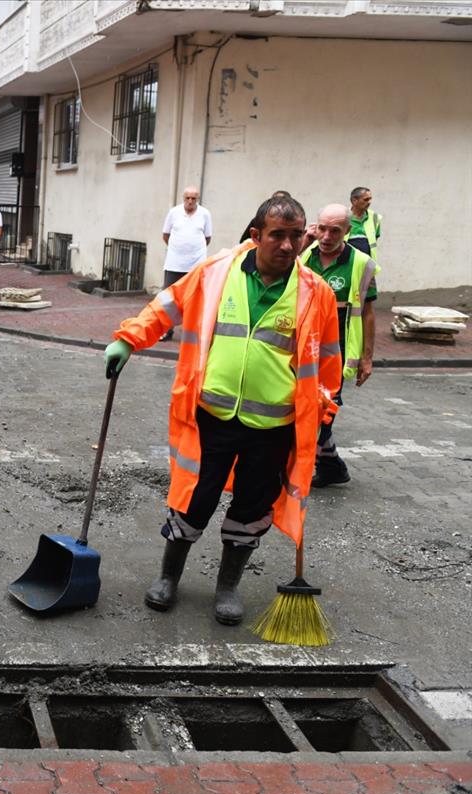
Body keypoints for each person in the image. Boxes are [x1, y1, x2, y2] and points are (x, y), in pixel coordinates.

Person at [103, 195, 341, 626]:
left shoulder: (315, 292)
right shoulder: (216, 272)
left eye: (295, 236)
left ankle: (227, 586)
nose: (288, 246)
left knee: (252, 508)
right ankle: (168, 577)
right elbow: (168, 305)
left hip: (273, 426)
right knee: (193, 499)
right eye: (277, 236)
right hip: (210, 417)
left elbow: (326, 357)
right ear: (256, 235)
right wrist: (128, 339)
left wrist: (325, 404)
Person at [301, 203, 379, 488]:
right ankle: (332, 466)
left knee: (324, 410)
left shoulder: (360, 263)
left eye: (335, 230)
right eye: (322, 228)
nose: (326, 236)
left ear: (347, 231)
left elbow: (368, 313)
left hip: (338, 351)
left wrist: (367, 359)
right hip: (303, 347)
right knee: (303, 406)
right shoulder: (305, 254)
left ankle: (304, 467)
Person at [160, 187, 213, 341]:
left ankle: (190, 332)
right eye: (187, 198)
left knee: (194, 299)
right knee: (169, 299)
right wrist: (178, 249)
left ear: (198, 199)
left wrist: (193, 250)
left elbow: (207, 238)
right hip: (174, 263)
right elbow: (165, 235)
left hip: (196, 265)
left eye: (193, 198)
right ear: (183, 198)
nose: (190, 201)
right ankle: (166, 330)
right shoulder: (174, 212)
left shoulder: (205, 214)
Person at [347, 186, 381, 259]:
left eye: (370, 199)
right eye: (366, 199)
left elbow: (375, 239)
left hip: (368, 263)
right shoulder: (343, 216)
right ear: (354, 200)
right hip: (346, 262)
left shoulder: (375, 218)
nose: (369, 202)